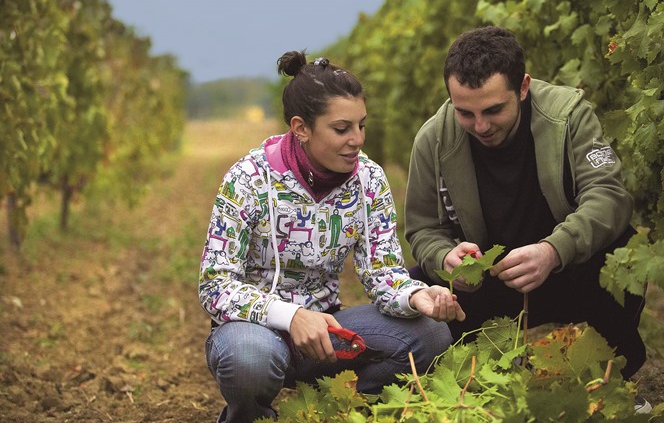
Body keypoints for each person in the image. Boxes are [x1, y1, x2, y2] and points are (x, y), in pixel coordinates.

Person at [199, 50, 464, 423]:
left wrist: (417, 296)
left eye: (362, 125)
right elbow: (215, 285)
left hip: (327, 334)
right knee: (247, 358)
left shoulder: (368, 180)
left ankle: (339, 411)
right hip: (254, 330)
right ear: (301, 128)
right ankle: (249, 417)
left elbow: (382, 272)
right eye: (342, 129)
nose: (357, 139)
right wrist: (291, 317)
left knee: (431, 336)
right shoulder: (248, 179)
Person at [404, 26, 648, 396]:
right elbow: (423, 229)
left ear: (522, 87)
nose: (480, 126)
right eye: (465, 113)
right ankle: (482, 378)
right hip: (488, 285)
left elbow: (609, 196)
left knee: (623, 253)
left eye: (493, 110)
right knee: (419, 283)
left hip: (568, 269)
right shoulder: (433, 139)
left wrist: (553, 251)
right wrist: (445, 257)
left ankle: (613, 377)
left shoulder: (567, 116)